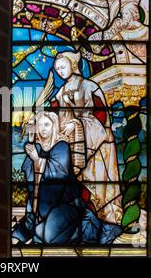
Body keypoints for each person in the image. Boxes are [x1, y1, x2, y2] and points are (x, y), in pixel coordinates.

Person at [12, 111, 122, 245]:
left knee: (47, 237)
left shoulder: (61, 146)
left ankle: (88, 224)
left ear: (54, 126)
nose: (43, 129)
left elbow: (58, 175)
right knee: (34, 231)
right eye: (40, 125)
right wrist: (32, 148)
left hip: (67, 205)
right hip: (41, 206)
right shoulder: (37, 148)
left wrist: (37, 160)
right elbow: (29, 175)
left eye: (47, 124)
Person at [51, 51, 123, 225]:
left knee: (97, 185)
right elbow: (55, 114)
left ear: (72, 65)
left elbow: (101, 116)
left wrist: (77, 124)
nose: (60, 71)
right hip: (74, 144)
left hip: (97, 145)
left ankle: (105, 220)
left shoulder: (89, 86)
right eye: (57, 69)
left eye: (63, 67)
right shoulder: (60, 93)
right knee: (76, 184)